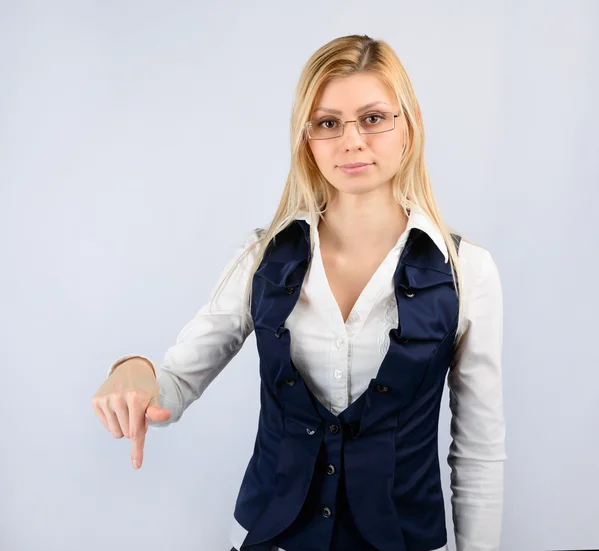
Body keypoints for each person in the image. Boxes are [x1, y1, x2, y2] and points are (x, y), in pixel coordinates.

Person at [92, 34, 506, 551]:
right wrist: (131, 369)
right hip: (270, 537)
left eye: (374, 118)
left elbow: (478, 451)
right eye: (328, 123)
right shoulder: (260, 258)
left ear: (409, 126)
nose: (351, 140)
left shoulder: (468, 270)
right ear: (306, 137)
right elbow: (173, 386)